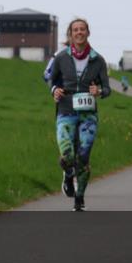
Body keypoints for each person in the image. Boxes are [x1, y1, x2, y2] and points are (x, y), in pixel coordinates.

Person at [48, 18, 111, 211]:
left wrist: (99, 91)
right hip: (66, 111)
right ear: (71, 34)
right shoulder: (61, 57)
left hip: (88, 116)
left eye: (82, 29)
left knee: (83, 157)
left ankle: (79, 198)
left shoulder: (98, 60)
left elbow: (107, 89)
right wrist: (55, 90)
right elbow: (51, 80)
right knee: (67, 155)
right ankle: (68, 175)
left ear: (88, 33)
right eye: (75, 30)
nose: (79, 32)